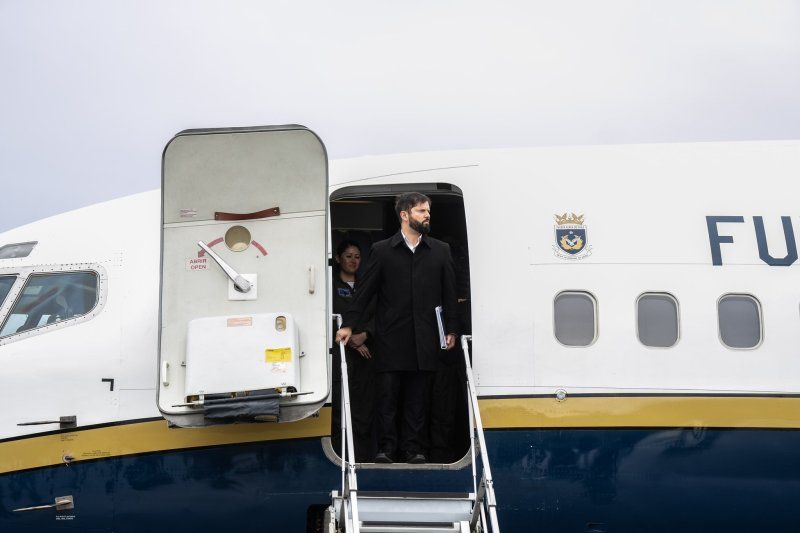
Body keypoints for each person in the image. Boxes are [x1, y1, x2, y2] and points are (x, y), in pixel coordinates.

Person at [336, 192, 458, 464]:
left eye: (428, 211)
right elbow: (365, 292)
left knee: (418, 398)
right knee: (388, 397)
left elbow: (450, 293)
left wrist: (451, 329)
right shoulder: (381, 250)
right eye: (421, 211)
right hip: (391, 337)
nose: (427, 215)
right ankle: (388, 449)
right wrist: (349, 325)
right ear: (404, 215)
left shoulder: (440, 250)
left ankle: (414, 449)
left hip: (425, 337)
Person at [330, 239, 376, 462]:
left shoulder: (366, 285)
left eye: (357, 256)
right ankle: (341, 456)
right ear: (338, 259)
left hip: (366, 357)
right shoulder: (329, 286)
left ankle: (364, 457)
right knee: (340, 407)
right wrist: (352, 341)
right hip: (340, 354)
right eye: (348, 256)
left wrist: (365, 334)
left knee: (365, 408)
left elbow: (379, 314)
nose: (353, 260)